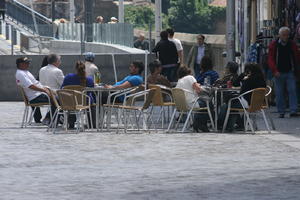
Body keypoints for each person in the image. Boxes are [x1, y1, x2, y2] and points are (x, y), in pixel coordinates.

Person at [218, 63, 266, 132]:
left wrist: (244, 78)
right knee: (233, 103)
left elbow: (242, 91)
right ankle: (237, 125)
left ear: (249, 71)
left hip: (248, 103)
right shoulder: (262, 79)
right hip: (259, 103)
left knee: (228, 104)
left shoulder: (250, 80)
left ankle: (224, 125)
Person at [268, 26, 300, 118]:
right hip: (278, 72)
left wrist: (296, 70)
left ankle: (293, 110)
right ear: (279, 35)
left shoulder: (292, 44)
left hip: (290, 71)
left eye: (287, 35)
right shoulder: (274, 45)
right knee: (279, 92)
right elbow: (270, 59)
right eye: (283, 35)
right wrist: (274, 70)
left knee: (292, 90)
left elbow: (296, 56)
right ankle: (281, 111)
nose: (285, 37)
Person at [15, 57, 55, 125]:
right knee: (57, 100)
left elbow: (35, 82)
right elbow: (31, 86)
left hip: (37, 94)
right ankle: (48, 119)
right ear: (21, 64)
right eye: (27, 63)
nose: (28, 64)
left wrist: (45, 88)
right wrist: (44, 90)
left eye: (28, 62)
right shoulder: (20, 74)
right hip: (36, 97)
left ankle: (40, 118)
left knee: (56, 97)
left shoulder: (25, 71)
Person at [176, 67, 212, 132]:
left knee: (202, 103)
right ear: (188, 73)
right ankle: (200, 124)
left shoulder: (179, 81)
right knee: (207, 102)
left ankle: (198, 123)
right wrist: (205, 89)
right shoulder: (190, 77)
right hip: (191, 104)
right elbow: (198, 90)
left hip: (181, 105)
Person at [61, 61, 95, 129]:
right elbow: (92, 91)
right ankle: (92, 124)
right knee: (92, 103)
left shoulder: (68, 77)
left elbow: (62, 89)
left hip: (70, 102)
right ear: (84, 68)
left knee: (73, 101)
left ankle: (71, 123)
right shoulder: (89, 80)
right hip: (85, 102)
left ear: (75, 68)